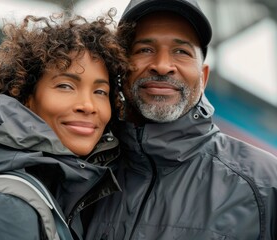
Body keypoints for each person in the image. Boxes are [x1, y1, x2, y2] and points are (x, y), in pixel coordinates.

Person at [84, 0, 277, 239]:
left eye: (181, 51)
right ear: (121, 69)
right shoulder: (85, 172)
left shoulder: (265, 183)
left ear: (203, 77)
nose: (163, 66)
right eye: (145, 49)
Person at [0, 10, 129, 240]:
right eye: (65, 86)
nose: (88, 105)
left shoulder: (50, 190)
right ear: (25, 97)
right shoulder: (6, 208)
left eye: (100, 91)